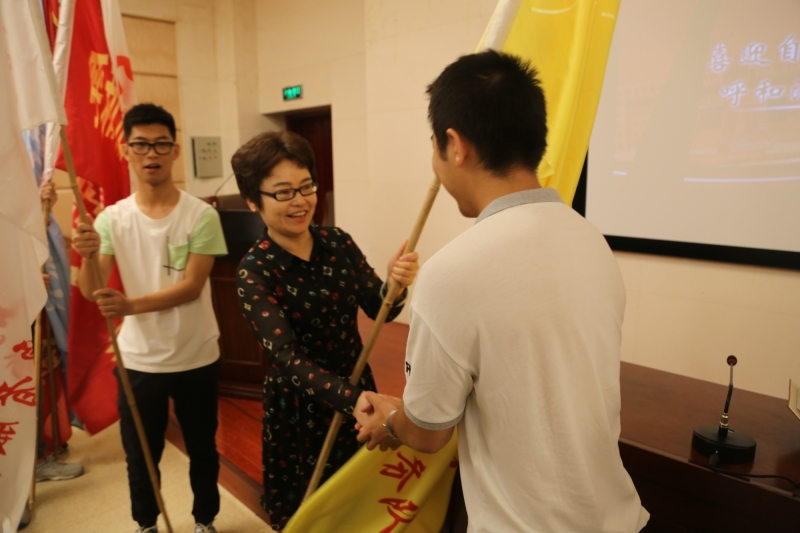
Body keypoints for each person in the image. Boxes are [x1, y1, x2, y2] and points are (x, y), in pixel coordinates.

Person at [355, 50, 650, 532]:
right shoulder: (590, 240)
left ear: (455, 145)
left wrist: (389, 421)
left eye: (434, 146)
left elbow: (429, 433)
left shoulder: (451, 273)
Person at [230, 130, 419, 531]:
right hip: (301, 407)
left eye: (306, 187)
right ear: (252, 201)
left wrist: (395, 285)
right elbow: (286, 357)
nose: (300, 201)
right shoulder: (255, 270)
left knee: (360, 501)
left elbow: (379, 308)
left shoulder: (338, 242)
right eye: (283, 192)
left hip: (355, 383)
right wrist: (352, 398)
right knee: (312, 511)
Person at [73, 103, 227, 533]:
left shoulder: (202, 215)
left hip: (196, 354)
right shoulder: (111, 220)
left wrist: (129, 306)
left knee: (202, 448)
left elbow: (192, 287)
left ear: (175, 150)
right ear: (126, 150)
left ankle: (205, 520)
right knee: (141, 453)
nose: (151, 154)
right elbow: (91, 290)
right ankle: (146, 524)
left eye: (161, 144)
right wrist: (86, 256)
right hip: (139, 360)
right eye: (140, 145)